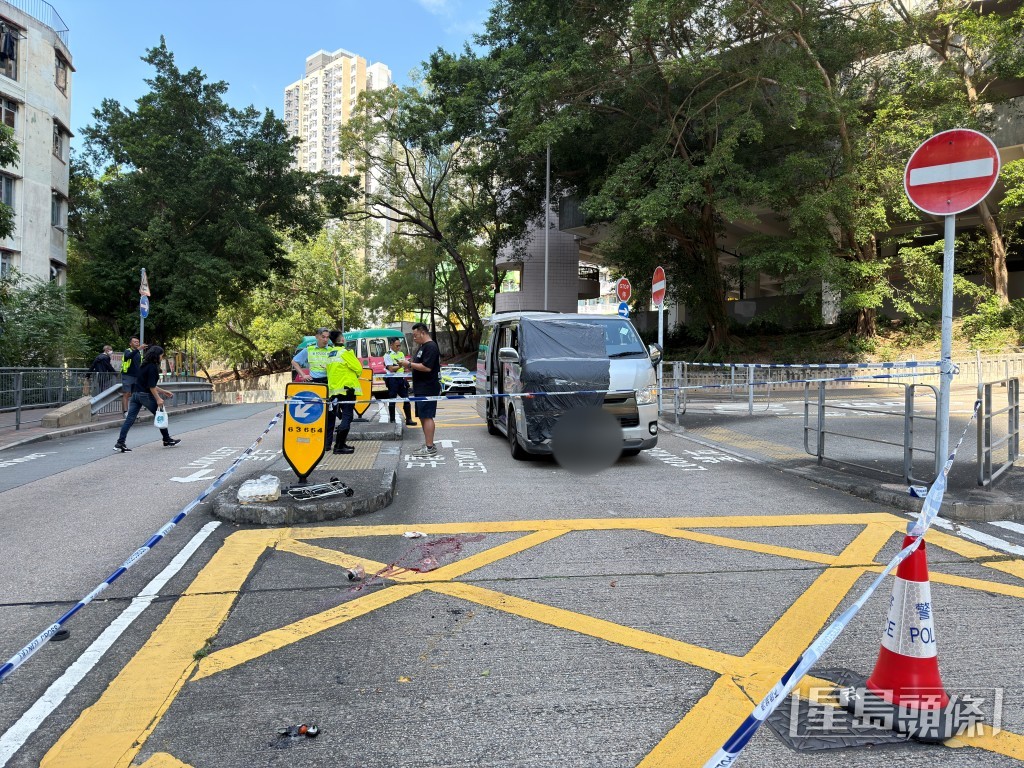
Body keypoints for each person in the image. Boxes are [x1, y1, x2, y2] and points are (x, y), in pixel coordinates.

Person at [114, 345, 180, 452]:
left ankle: (120, 443)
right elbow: (151, 386)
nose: (161, 358)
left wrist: (164, 391)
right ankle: (167, 439)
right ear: (156, 355)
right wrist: (158, 399)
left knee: (129, 419)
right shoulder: (153, 367)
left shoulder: (143, 365)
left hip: (135, 395)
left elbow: (149, 384)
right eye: (161, 356)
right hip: (145, 395)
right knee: (160, 415)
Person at [291, 327, 337, 443]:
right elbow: (294, 362)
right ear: (317, 336)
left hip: (329, 383)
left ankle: (327, 442)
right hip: (315, 384)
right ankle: (316, 440)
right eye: (323, 337)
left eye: (327, 337)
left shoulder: (332, 350)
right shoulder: (309, 349)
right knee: (316, 413)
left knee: (331, 413)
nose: (325, 340)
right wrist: (303, 375)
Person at [325, 330, 365, 454]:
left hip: (334, 391)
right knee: (347, 417)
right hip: (347, 389)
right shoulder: (345, 353)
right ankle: (339, 446)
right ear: (342, 340)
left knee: (342, 416)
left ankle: (341, 443)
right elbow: (358, 369)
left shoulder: (330, 353)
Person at [407, 322, 441, 456]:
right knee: (422, 416)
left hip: (428, 387)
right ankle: (428, 443)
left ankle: (430, 447)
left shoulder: (431, 347)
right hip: (421, 387)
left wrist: (409, 364)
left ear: (422, 333)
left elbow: (427, 367)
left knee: (427, 416)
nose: (414, 339)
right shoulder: (422, 347)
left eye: (415, 336)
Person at [383, 337, 415, 426]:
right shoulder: (387, 355)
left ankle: (409, 419)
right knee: (392, 400)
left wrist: (407, 364)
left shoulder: (401, 353)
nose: (399, 347)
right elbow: (391, 369)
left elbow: (405, 366)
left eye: (399, 345)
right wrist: (401, 366)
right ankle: (392, 420)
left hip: (401, 378)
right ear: (391, 345)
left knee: (406, 399)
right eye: (397, 345)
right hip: (392, 379)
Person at [120, 336, 143, 416]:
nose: (137, 343)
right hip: (127, 375)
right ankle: (125, 412)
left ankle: (132, 412)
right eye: (135, 342)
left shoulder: (139, 353)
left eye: (138, 342)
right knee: (126, 393)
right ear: (130, 343)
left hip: (136, 376)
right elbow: (128, 356)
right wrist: (138, 349)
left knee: (134, 395)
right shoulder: (127, 351)